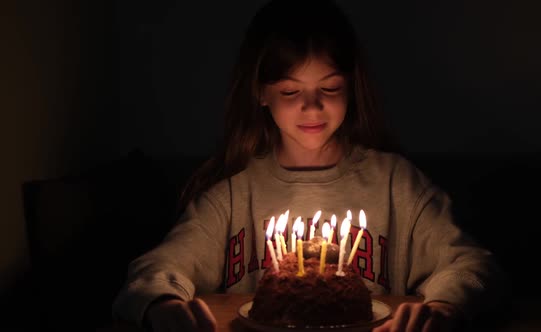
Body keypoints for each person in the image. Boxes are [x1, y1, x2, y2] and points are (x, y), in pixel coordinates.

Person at [112, 0, 507, 331]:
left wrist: (443, 308)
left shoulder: (396, 186)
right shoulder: (233, 195)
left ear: (352, 88)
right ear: (261, 93)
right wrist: (160, 304)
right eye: (289, 90)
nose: (312, 106)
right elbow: (156, 270)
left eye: (330, 88)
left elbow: (473, 265)